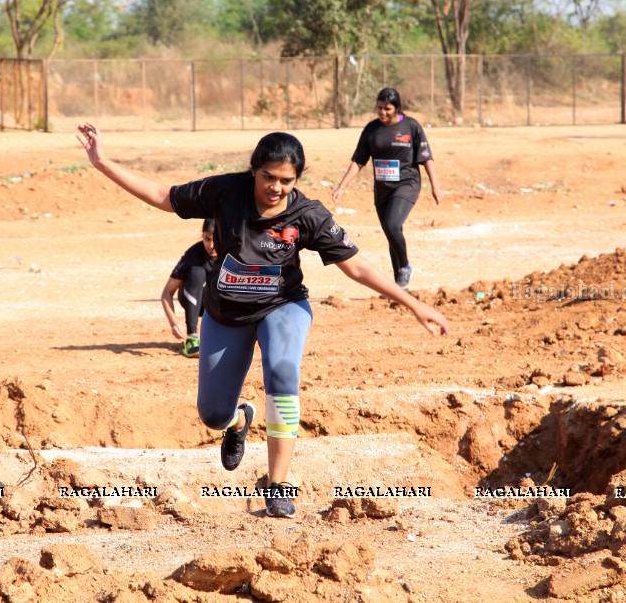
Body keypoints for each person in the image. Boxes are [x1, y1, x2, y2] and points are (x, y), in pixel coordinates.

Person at [77, 122, 448, 518]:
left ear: (297, 180)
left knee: (283, 370)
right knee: (213, 415)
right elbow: (162, 196)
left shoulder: (308, 215)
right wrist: (102, 162)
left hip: (282, 307)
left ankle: (277, 484)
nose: (276, 187)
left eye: (286, 180)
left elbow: (356, 267)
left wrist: (412, 303)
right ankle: (241, 420)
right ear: (254, 169)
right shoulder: (226, 192)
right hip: (225, 315)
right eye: (268, 176)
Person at [331, 87, 441, 289]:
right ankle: (400, 285)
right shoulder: (371, 130)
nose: (382, 112)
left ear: (397, 108)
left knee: (392, 225)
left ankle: (405, 268)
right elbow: (358, 161)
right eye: (380, 107)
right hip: (382, 189)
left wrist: (436, 186)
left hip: (407, 184)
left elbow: (426, 158)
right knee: (391, 232)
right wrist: (342, 186)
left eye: (388, 108)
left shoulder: (411, 126)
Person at [160, 218, 217, 357]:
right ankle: (192, 338)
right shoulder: (194, 254)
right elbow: (166, 293)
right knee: (197, 272)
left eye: (216, 239)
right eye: (207, 239)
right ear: (202, 236)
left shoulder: (233, 252)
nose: (211, 245)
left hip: (218, 303)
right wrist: (174, 324)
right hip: (196, 300)